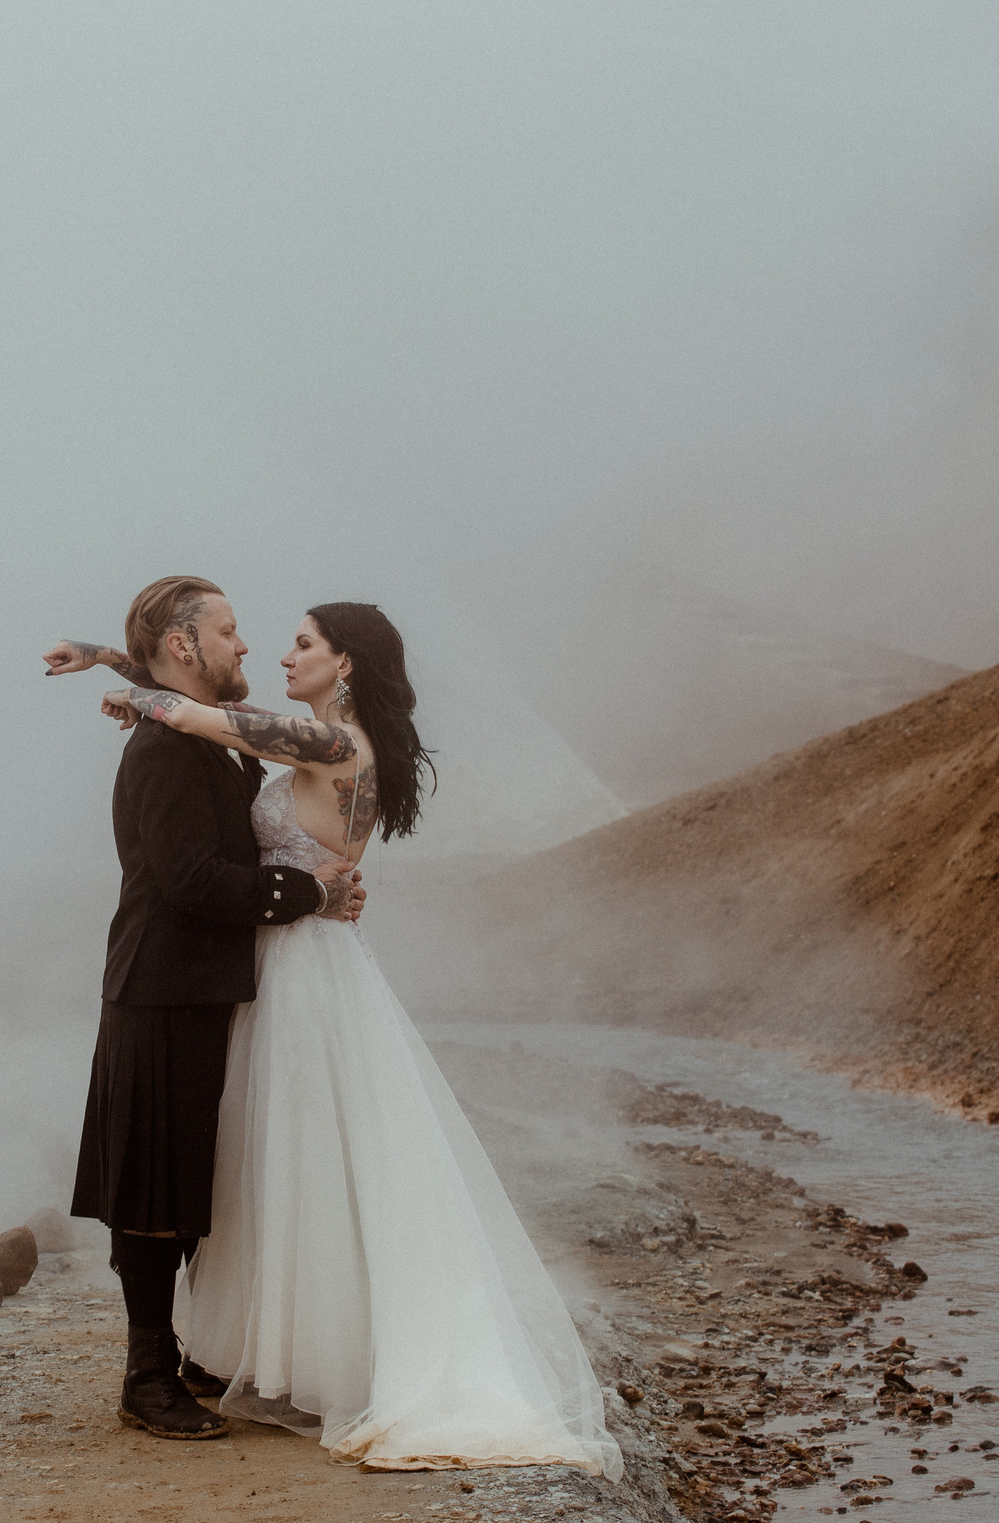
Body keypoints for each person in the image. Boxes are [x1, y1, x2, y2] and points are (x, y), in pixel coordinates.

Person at [49, 600, 619, 1475]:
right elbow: (197, 707)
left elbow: (198, 710)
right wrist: (114, 665)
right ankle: (255, 1352)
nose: (277, 651)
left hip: (301, 970)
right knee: (272, 1162)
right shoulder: (315, 738)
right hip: (283, 962)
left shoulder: (333, 745)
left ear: (345, 663)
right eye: (257, 636)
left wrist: (126, 681)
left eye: (303, 642)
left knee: (300, 1158)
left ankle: (261, 1356)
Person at [48, 577, 365, 1442]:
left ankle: (191, 1356)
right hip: (159, 986)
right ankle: (145, 1376)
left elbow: (182, 704)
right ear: (186, 646)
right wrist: (305, 891)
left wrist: (116, 660)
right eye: (230, 631)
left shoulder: (199, 734)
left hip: (200, 985)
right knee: (155, 1188)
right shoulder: (163, 749)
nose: (246, 646)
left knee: (193, 1181)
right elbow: (188, 880)